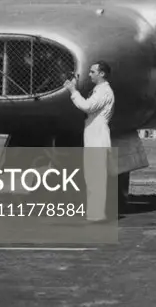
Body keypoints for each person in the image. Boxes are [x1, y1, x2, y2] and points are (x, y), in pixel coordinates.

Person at [65, 61, 115, 222]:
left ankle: (97, 214)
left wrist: (73, 91)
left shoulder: (104, 92)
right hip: (94, 134)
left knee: (96, 177)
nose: (89, 74)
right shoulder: (100, 90)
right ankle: (95, 213)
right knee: (93, 177)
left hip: (97, 136)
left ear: (102, 74)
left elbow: (87, 106)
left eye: (93, 71)